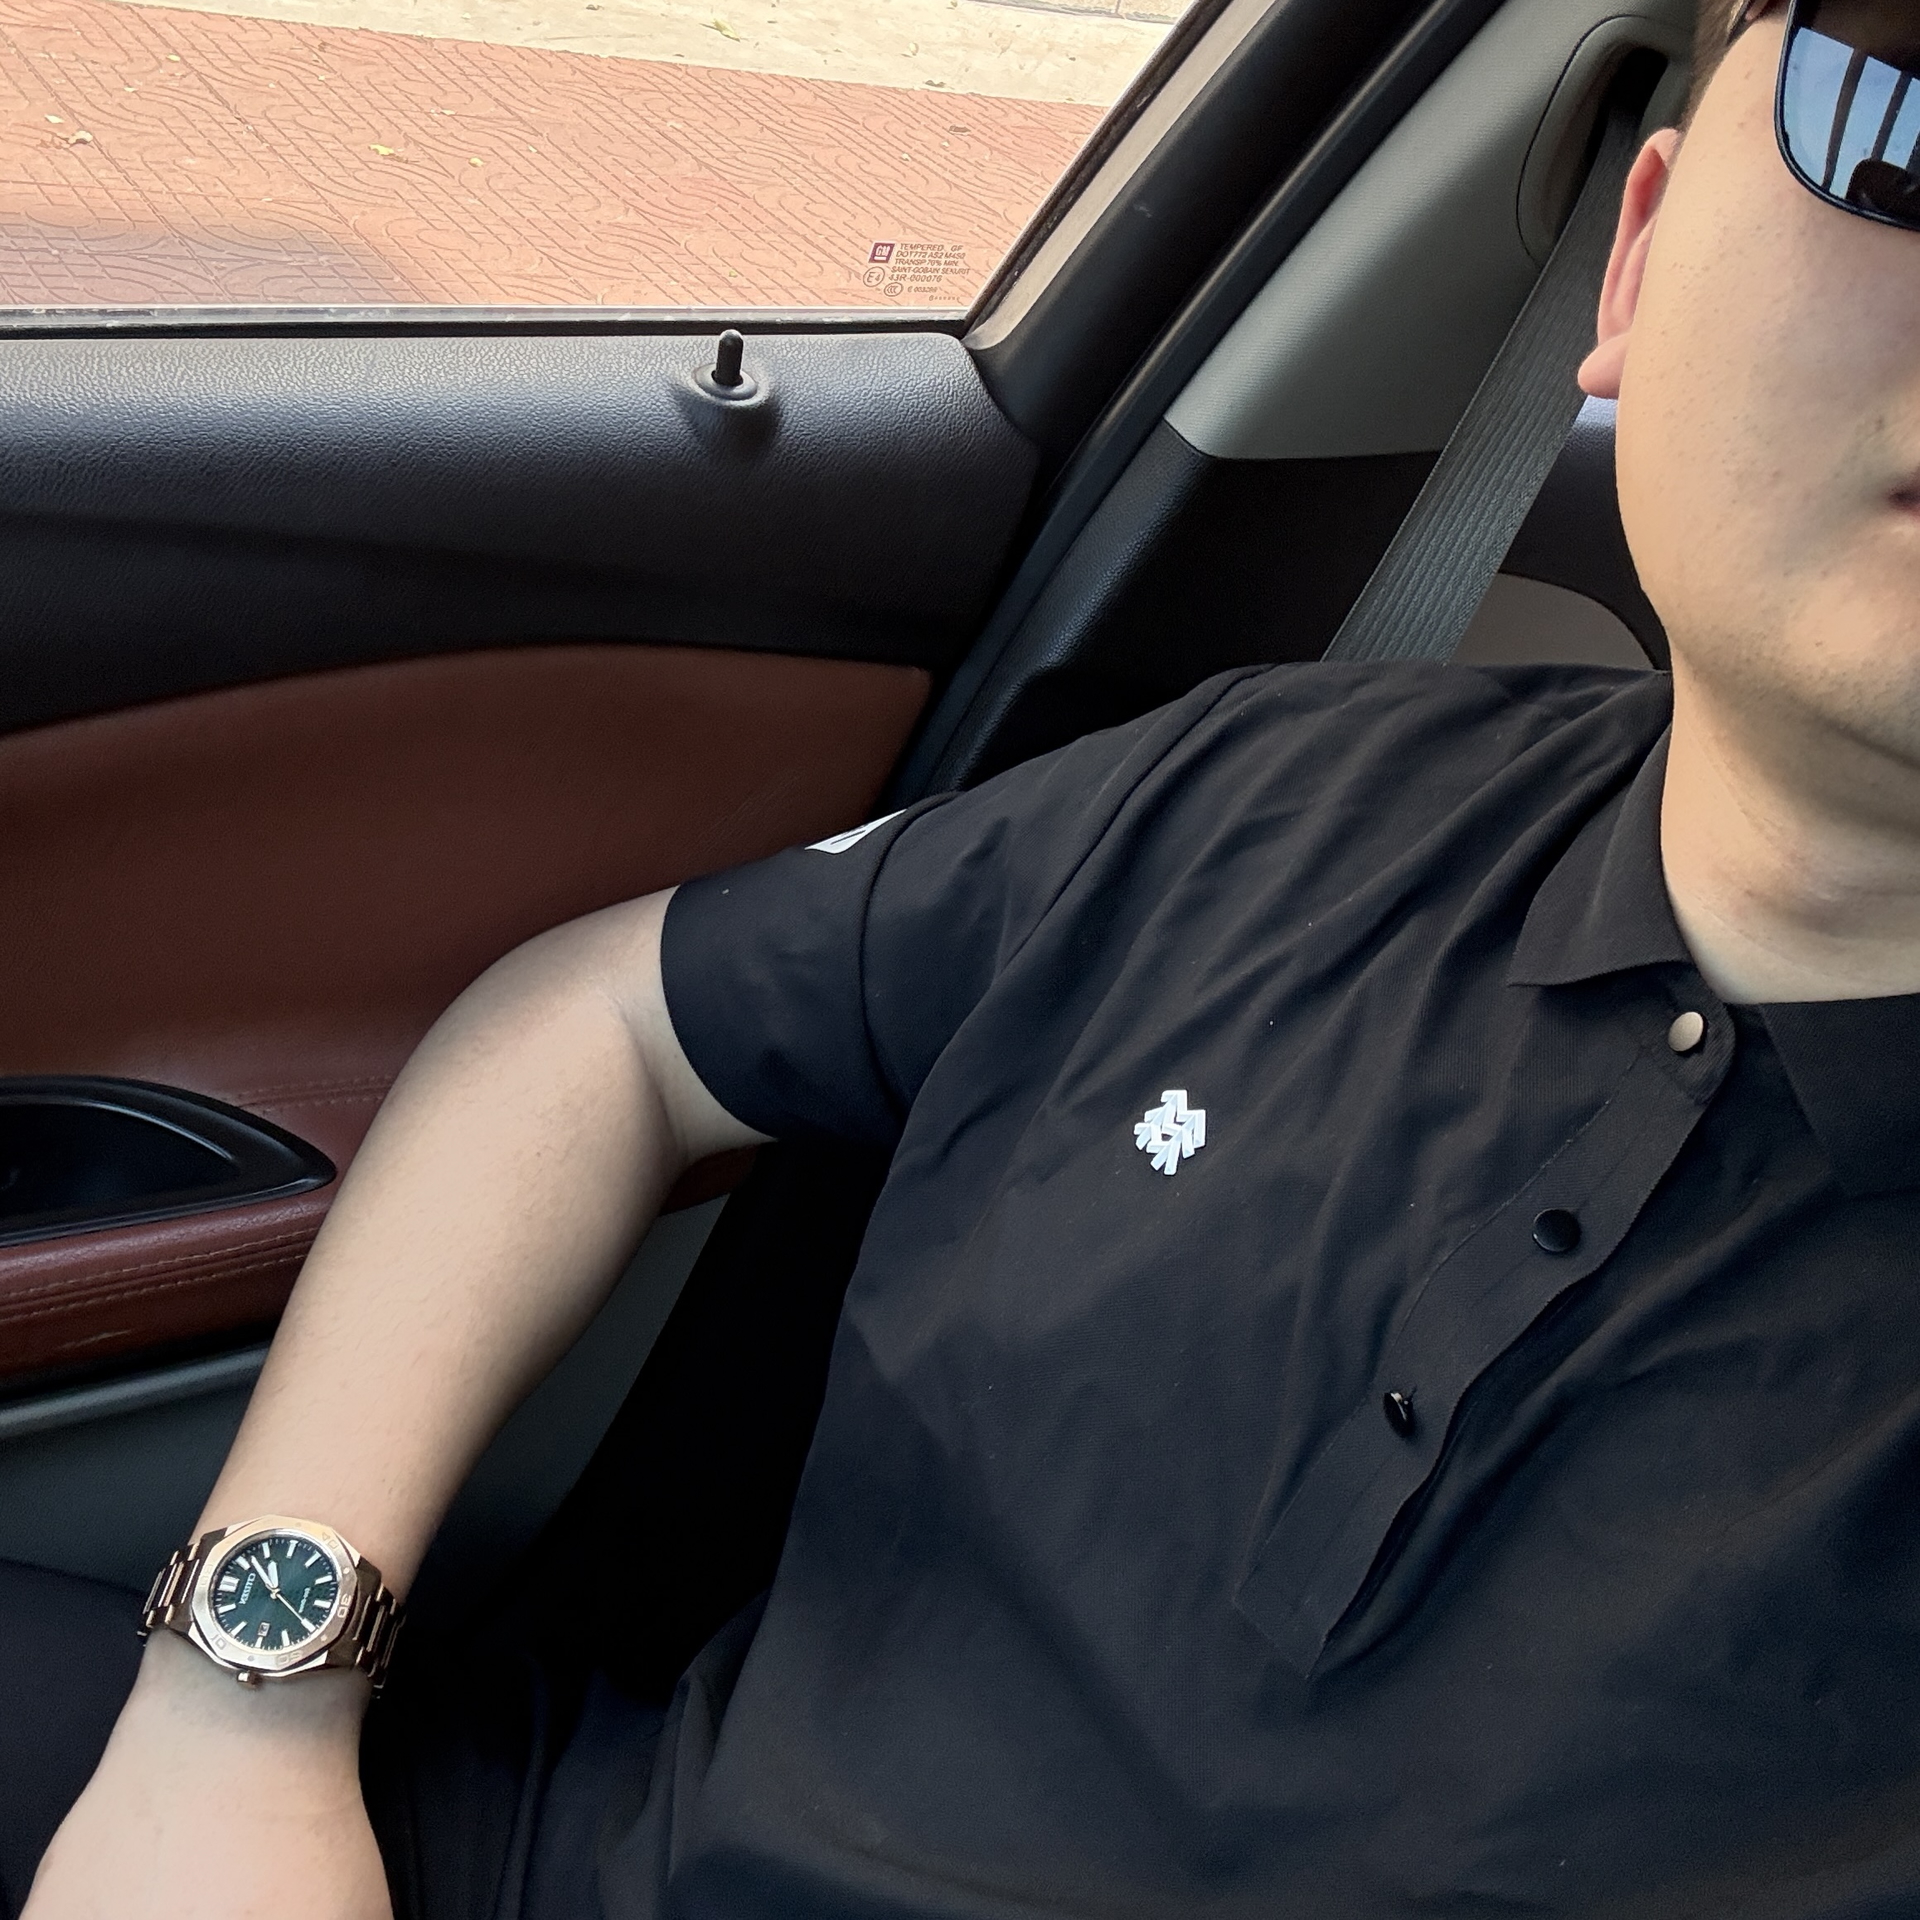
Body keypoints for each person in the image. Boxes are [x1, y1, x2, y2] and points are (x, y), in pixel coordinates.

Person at [13, 0, 1920, 1912]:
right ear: (1641, 257)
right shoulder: (1264, 785)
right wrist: (236, 1716)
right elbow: (596, 1026)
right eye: (1901, 120)